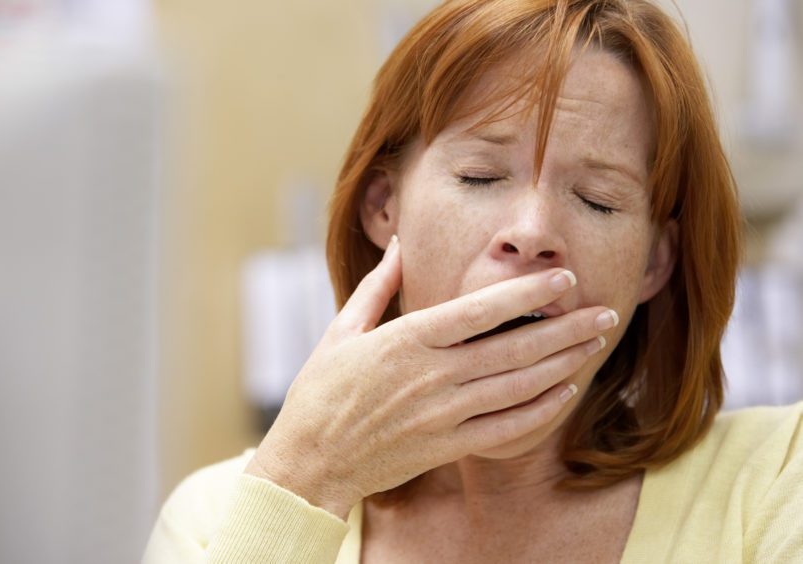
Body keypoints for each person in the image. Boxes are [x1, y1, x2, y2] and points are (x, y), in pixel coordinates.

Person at [143, 0, 803, 562]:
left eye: (598, 199)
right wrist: (306, 477)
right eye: (481, 177)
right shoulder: (215, 518)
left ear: (654, 264)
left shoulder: (778, 479)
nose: (533, 229)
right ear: (383, 207)